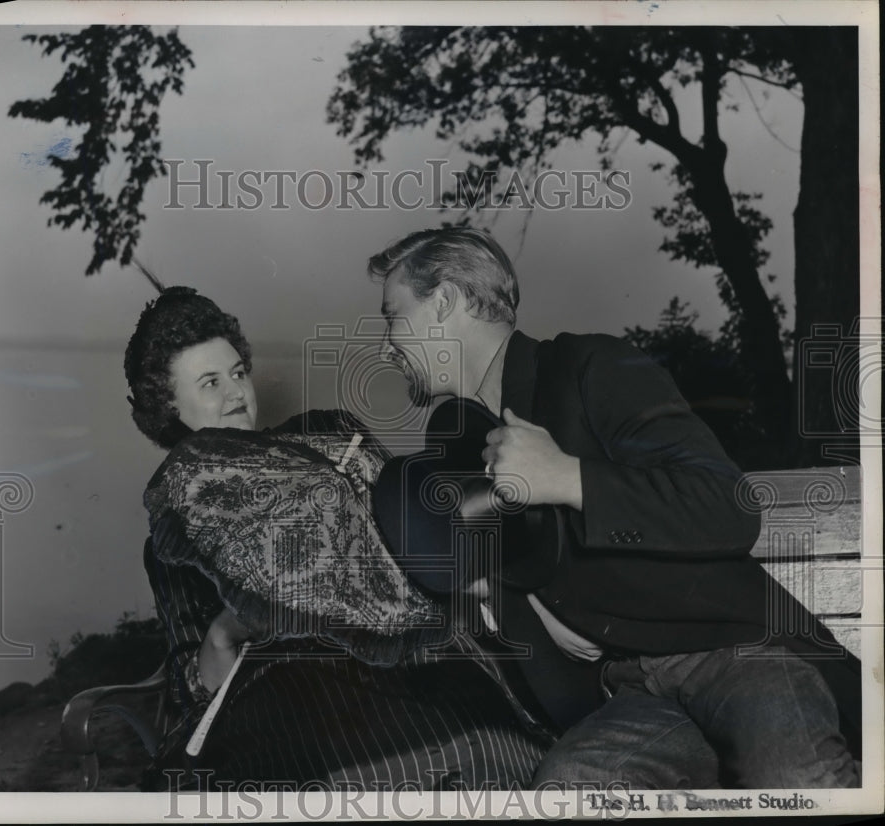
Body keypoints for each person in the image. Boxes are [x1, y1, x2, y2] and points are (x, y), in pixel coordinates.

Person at [365, 226, 861, 789]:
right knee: (567, 787)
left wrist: (568, 477)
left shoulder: (588, 365)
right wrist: (503, 595)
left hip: (738, 655)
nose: (387, 343)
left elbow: (729, 507)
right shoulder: (462, 453)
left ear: (446, 301)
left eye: (392, 315)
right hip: (635, 691)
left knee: (793, 774)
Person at [122, 285, 547, 790]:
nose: (237, 392)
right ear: (169, 408)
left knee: (495, 750)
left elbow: (424, 533)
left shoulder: (327, 433)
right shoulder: (176, 532)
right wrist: (232, 626)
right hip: (297, 693)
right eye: (210, 383)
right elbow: (194, 687)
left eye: (238, 373)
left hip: (417, 655)